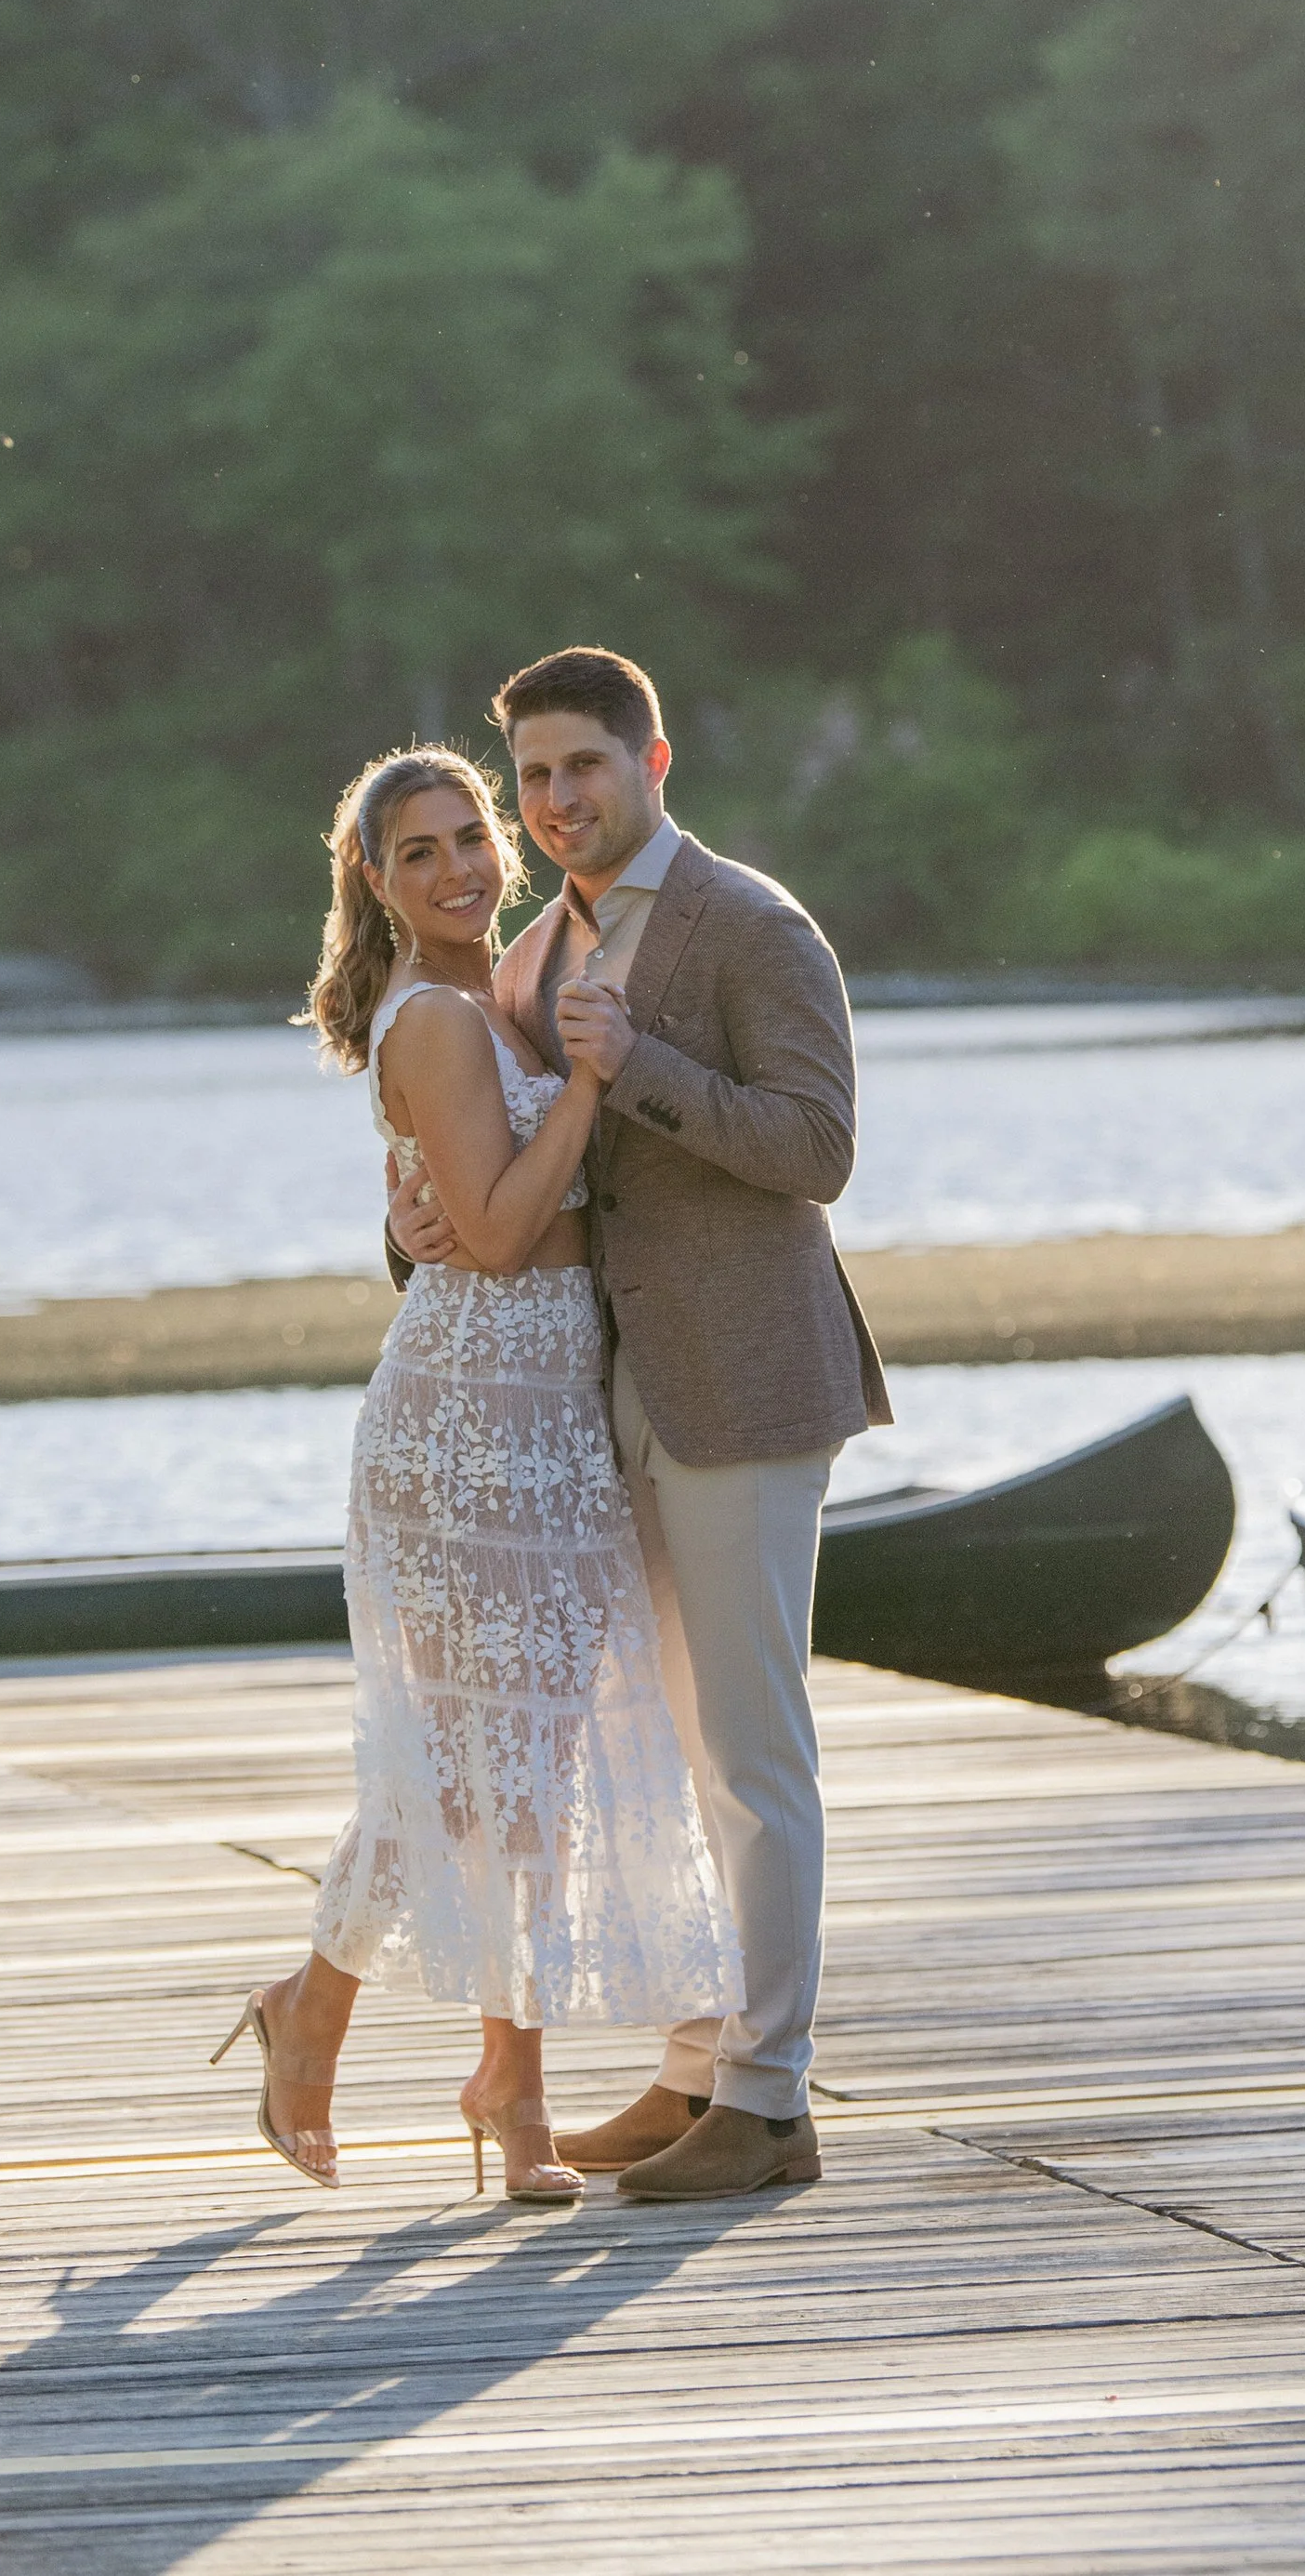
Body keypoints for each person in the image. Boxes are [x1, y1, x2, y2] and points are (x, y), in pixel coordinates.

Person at [391, 646, 891, 2199]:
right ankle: (692, 2072)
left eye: (580, 769)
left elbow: (818, 1148)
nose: (551, 803)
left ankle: (772, 2100)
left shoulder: (756, 924)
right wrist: (414, 1230)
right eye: (531, 777)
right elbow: (529, 1184)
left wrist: (646, 1066)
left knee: (753, 1750)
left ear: (652, 760)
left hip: (746, 1388)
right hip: (610, 1401)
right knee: (674, 1753)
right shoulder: (536, 952)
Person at [213, 743, 739, 2203]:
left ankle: (513, 2084)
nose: (456, 867)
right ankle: (312, 2006)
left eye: (469, 837)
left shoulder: (502, 995)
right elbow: (503, 1235)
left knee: (536, 1776)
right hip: (460, 1421)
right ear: (376, 885)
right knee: (455, 1772)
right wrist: (587, 1074)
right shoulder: (442, 1019)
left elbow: (472, 1206)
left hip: (553, 1410)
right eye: (421, 852)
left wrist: (534, 1095)